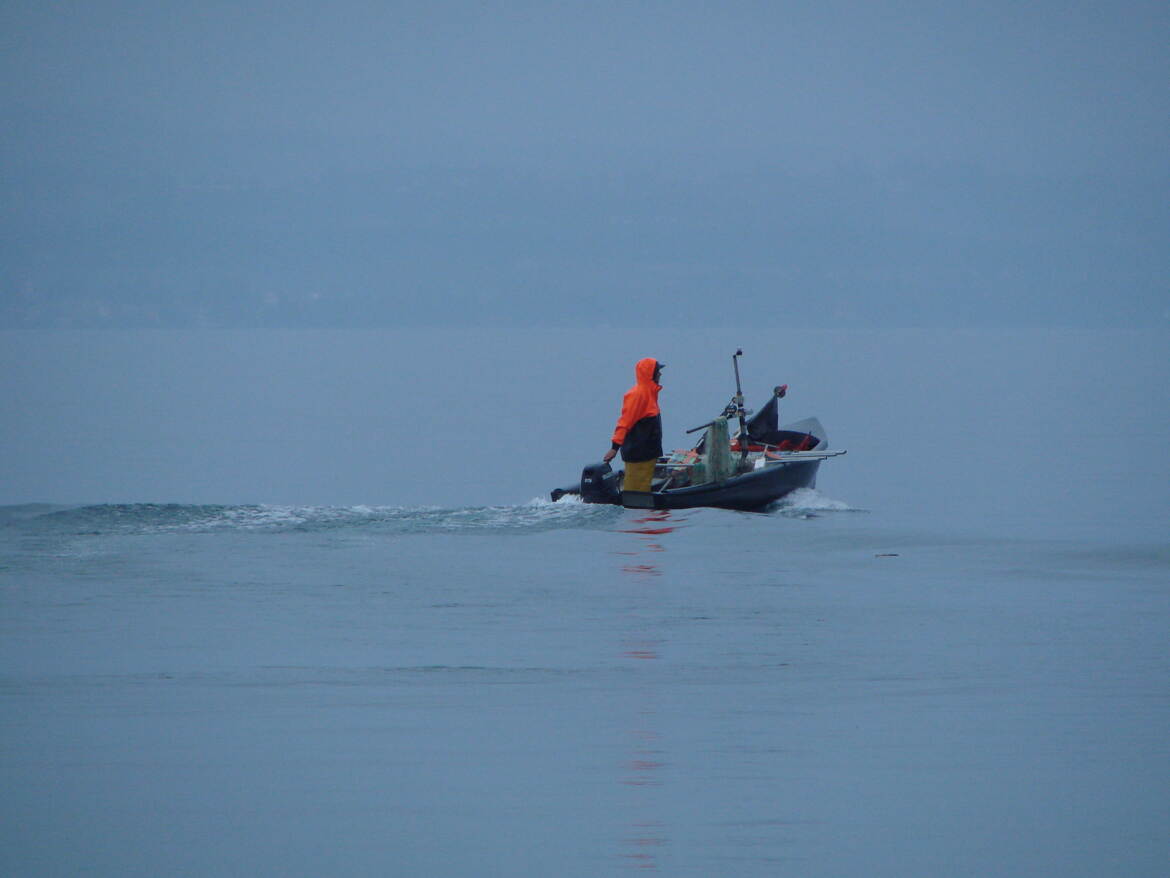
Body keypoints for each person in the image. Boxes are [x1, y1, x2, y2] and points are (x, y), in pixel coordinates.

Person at [603, 358, 664, 493]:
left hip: (648, 454)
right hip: (639, 455)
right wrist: (614, 448)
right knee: (636, 492)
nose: (660, 374)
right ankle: (635, 511)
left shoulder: (649, 393)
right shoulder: (638, 395)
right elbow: (624, 423)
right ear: (650, 373)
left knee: (642, 487)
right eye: (658, 371)